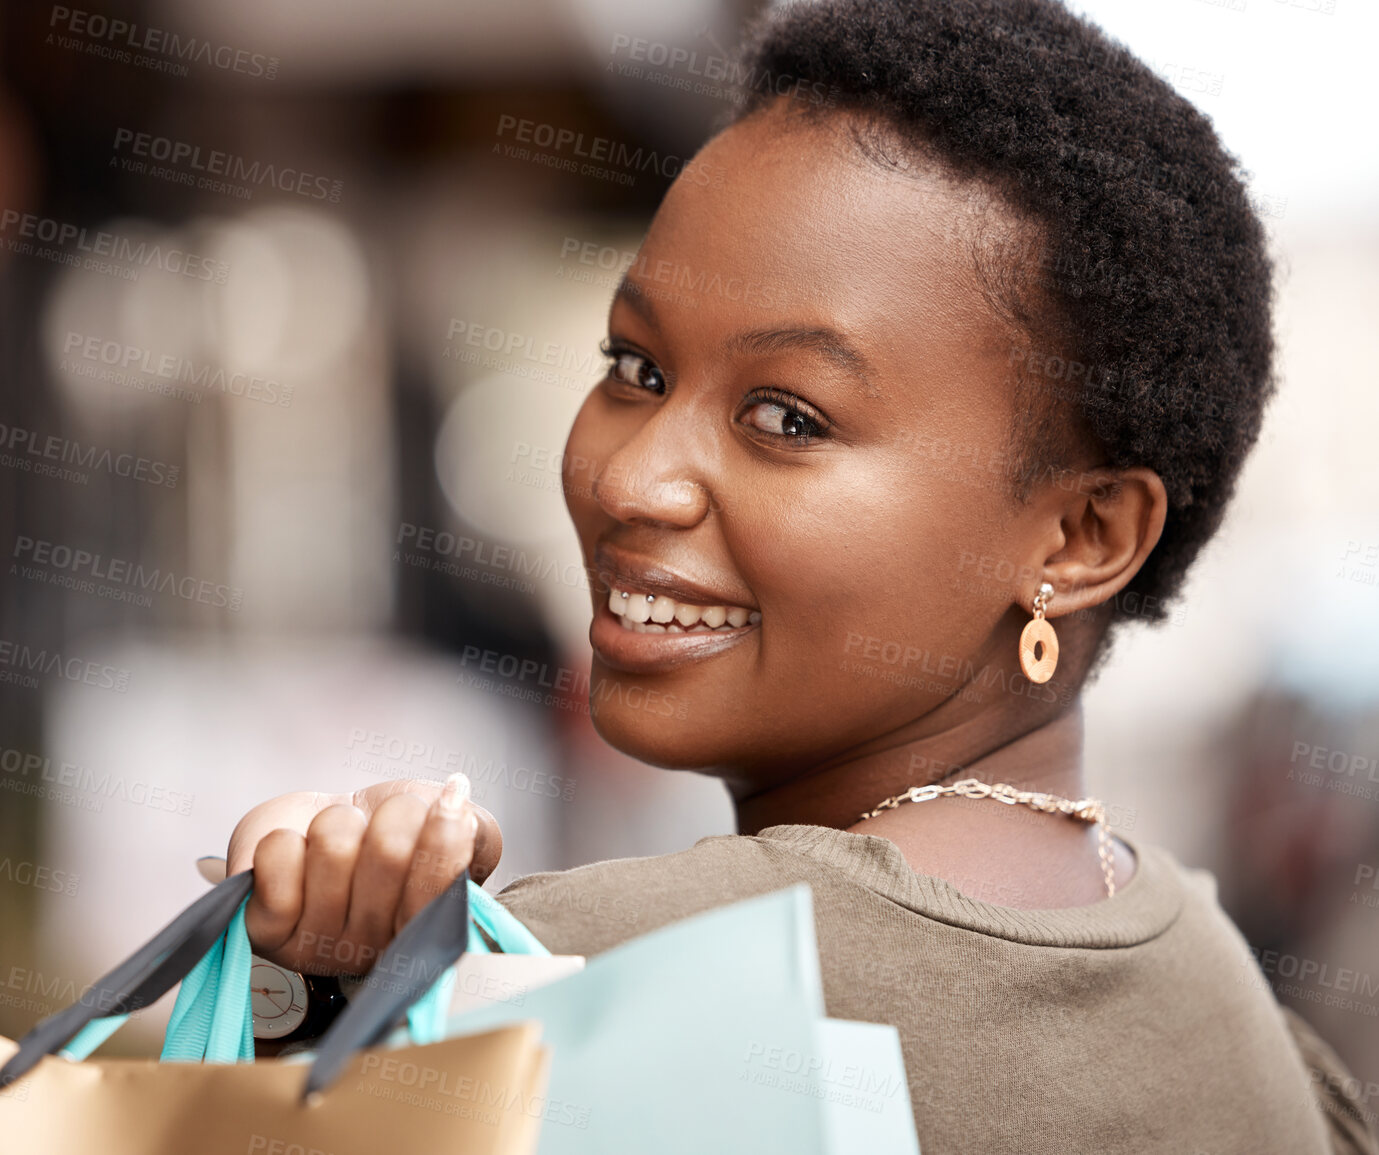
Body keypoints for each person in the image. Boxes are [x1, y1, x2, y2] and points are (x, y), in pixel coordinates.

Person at [224, 0, 1376, 1150]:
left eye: (788, 416)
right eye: (635, 364)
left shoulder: (591, 978)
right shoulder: (1238, 1014)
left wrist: (300, 997)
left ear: (1080, 538)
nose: (635, 477)